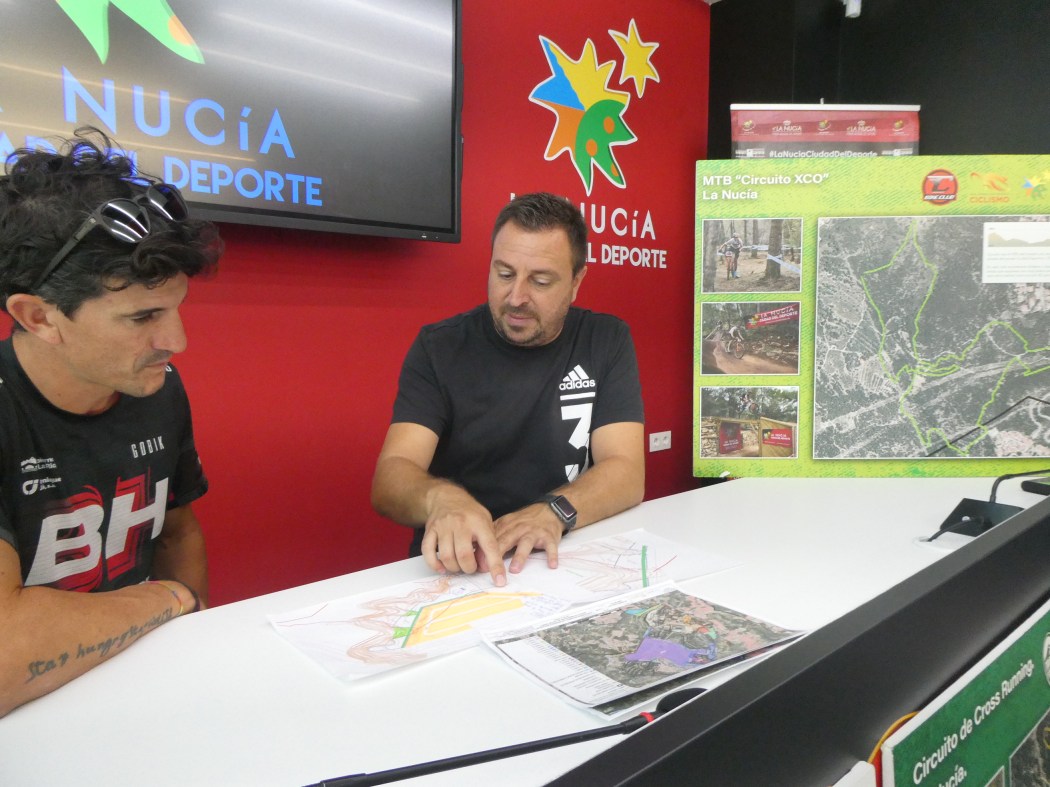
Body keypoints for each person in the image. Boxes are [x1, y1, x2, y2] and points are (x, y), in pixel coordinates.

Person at [0, 128, 222, 716]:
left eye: (176, 308)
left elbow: (176, 531)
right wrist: (170, 599)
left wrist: (194, 647)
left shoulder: (156, 387)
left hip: (137, 690)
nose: (176, 341)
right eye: (142, 317)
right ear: (38, 317)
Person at [371, 192, 645, 587]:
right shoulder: (439, 347)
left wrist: (553, 512)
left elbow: (626, 471)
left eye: (540, 281)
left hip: (564, 558)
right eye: (504, 274)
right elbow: (391, 476)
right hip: (464, 568)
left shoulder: (605, 339)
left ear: (576, 282)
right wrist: (440, 499)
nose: (516, 298)